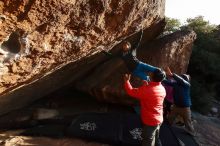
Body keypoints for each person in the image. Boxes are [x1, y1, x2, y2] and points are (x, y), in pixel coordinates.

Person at [124, 69, 166, 146]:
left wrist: (127, 81)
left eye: (151, 73)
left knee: (148, 141)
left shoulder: (147, 90)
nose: (150, 73)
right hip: (159, 119)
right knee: (156, 138)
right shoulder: (162, 88)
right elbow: (151, 95)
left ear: (152, 76)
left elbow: (131, 91)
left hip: (150, 121)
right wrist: (146, 85)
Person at [163, 67, 196, 136]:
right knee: (170, 119)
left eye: (183, 77)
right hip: (176, 106)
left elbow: (181, 80)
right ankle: (166, 128)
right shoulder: (175, 84)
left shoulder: (187, 85)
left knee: (188, 122)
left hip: (185, 108)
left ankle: (192, 133)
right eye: (182, 77)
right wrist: (160, 76)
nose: (182, 78)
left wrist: (172, 75)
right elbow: (166, 82)